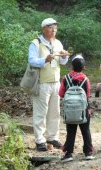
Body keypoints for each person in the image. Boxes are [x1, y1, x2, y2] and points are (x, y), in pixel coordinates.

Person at [28, 18, 69, 151]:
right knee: (41, 112)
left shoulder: (57, 43)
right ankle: (40, 140)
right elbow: (32, 61)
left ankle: (53, 137)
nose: (53, 31)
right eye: (51, 28)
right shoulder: (36, 43)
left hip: (56, 81)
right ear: (43, 29)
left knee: (55, 111)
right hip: (42, 82)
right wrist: (44, 60)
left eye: (55, 28)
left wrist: (64, 55)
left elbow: (62, 62)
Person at [59, 54, 94, 162]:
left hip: (69, 110)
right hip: (83, 110)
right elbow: (87, 95)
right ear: (84, 67)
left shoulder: (65, 78)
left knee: (71, 131)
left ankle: (68, 153)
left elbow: (61, 93)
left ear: (71, 67)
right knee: (85, 130)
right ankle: (88, 152)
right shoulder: (85, 79)